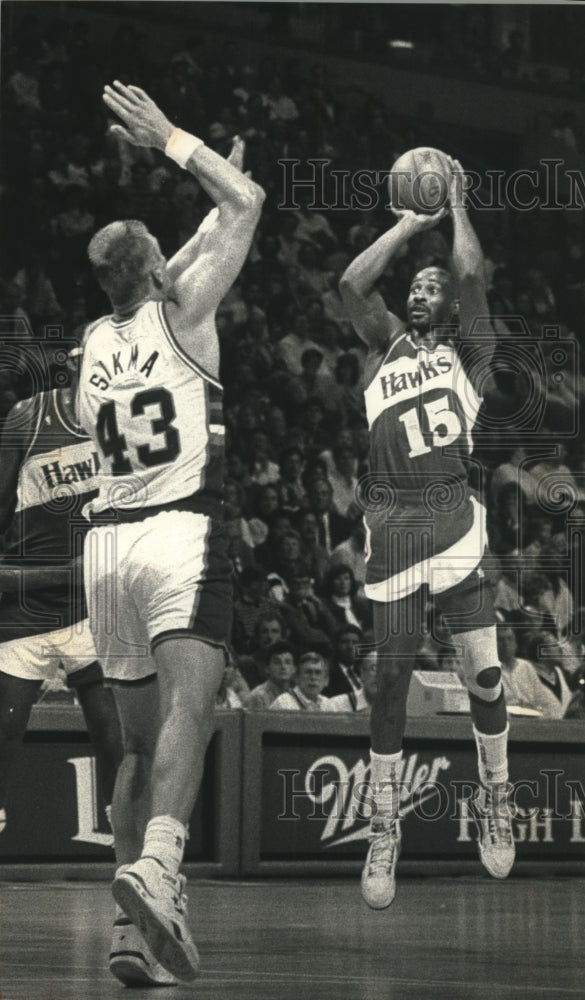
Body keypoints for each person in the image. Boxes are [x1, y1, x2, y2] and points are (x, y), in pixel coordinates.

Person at [78, 82, 264, 985]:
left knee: (136, 749)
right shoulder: (185, 312)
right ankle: (160, 865)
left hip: (102, 552)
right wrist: (174, 143)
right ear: (159, 271)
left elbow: (176, 256)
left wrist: (200, 211)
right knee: (196, 702)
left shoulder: (88, 344)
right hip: (174, 534)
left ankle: (129, 935)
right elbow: (248, 207)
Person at [339, 158, 515, 910]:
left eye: (430, 285)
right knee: (386, 683)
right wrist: (408, 225)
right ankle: (385, 824)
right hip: (390, 530)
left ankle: (496, 796)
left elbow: (473, 274)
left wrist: (460, 209)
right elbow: (350, 286)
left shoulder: (467, 353)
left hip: (450, 520)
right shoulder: (382, 345)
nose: (419, 288)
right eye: (414, 284)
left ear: (448, 306)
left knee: (484, 674)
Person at [0, 349, 122, 837]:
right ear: (69, 372)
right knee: (5, 732)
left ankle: (134, 860)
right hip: (25, 607)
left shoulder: (124, 425)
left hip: (93, 607)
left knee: (115, 741)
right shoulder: (28, 417)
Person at [244, 640, 296, 710]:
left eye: (287, 662)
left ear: (294, 669)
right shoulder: (258, 696)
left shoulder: (295, 694)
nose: (283, 666)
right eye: (277, 663)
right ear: (267, 669)